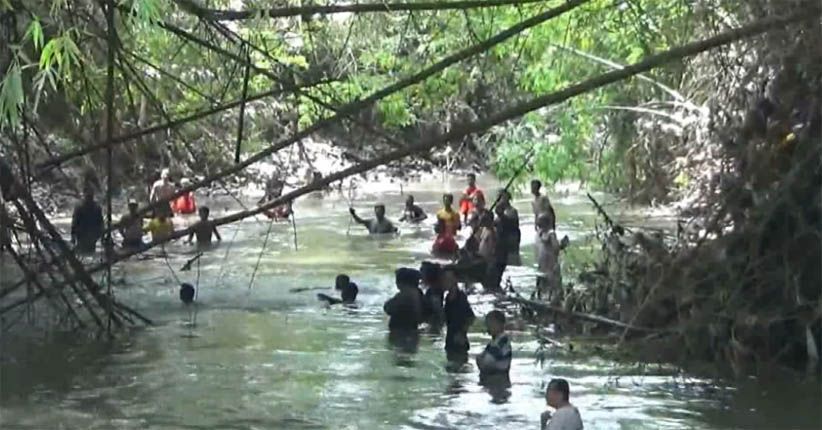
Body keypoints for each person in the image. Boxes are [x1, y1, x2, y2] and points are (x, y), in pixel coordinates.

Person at [443, 269, 475, 363]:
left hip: (459, 340)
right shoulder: (448, 297)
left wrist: (462, 333)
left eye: (449, 279)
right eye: (445, 279)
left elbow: (471, 317)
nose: (446, 282)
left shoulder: (461, 297)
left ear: (456, 280)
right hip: (450, 338)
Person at [536, 213, 568, 302]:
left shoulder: (541, 233)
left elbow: (552, 247)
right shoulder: (550, 233)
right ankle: (555, 301)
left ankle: (543, 301)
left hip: (544, 263)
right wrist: (563, 244)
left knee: (544, 285)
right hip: (549, 263)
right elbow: (556, 248)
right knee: (554, 285)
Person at [476, 310, 512, 379]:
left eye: (490, 325)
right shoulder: (494, 342)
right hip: (496, 377)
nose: (488, 328)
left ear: (499, 325)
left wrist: (480, 362)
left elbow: (487, 361)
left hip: (498, 379)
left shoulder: (502, 342)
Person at [71, 187, 104, 254]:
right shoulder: (80, 207)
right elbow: (75, 222)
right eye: (88, 196)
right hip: (82, 233)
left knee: (89, 251)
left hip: (91, 234)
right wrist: (73, 236)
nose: (89, 198)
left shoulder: (96, 207)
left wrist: (101, 234)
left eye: (90, 196)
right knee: (83, 251)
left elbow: (100, 221)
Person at [495, 190, 522, 266]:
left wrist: (501, 215)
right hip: (502, 244)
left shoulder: (512, 211)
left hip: (510, 242)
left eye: (502, 197)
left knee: (512, 262)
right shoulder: (499, 212)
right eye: (498, 198)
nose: (500, 200)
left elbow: (510, 224)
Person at [420, 262, 445, 328]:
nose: (420, 276)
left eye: (422, 272)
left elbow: (438, 310)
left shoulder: (434, 291)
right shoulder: (434, 289)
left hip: (434, 323)